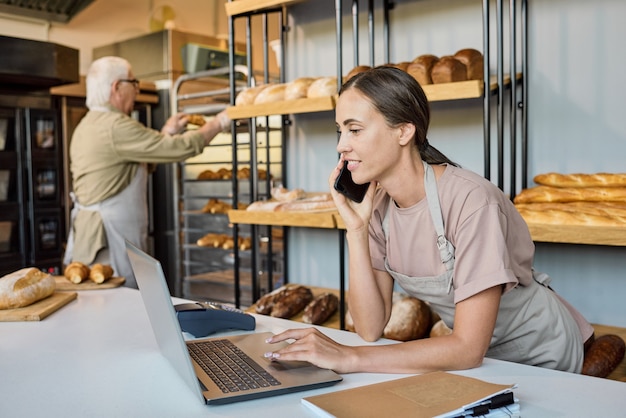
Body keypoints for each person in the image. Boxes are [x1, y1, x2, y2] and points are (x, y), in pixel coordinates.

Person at [264, 66, 594, 374]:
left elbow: (467, 349)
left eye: (354, 130)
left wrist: (349, 357)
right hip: (478, 359)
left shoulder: (470, 200)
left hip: (540, 354)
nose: (341, 146)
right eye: (339, 131)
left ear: (404, 131)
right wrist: (356, 230)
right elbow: (369, 327)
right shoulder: (377, 207)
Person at [63, 56, 230, 288]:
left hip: (94, 242)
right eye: (134, 83)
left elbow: (136, 164)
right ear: (116, 87)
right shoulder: (115, 126)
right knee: (118, 313)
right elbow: (179, 148)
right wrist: (221, 122)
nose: (137, 91)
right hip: (107, 246)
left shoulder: (90, 123)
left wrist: (167, 132)